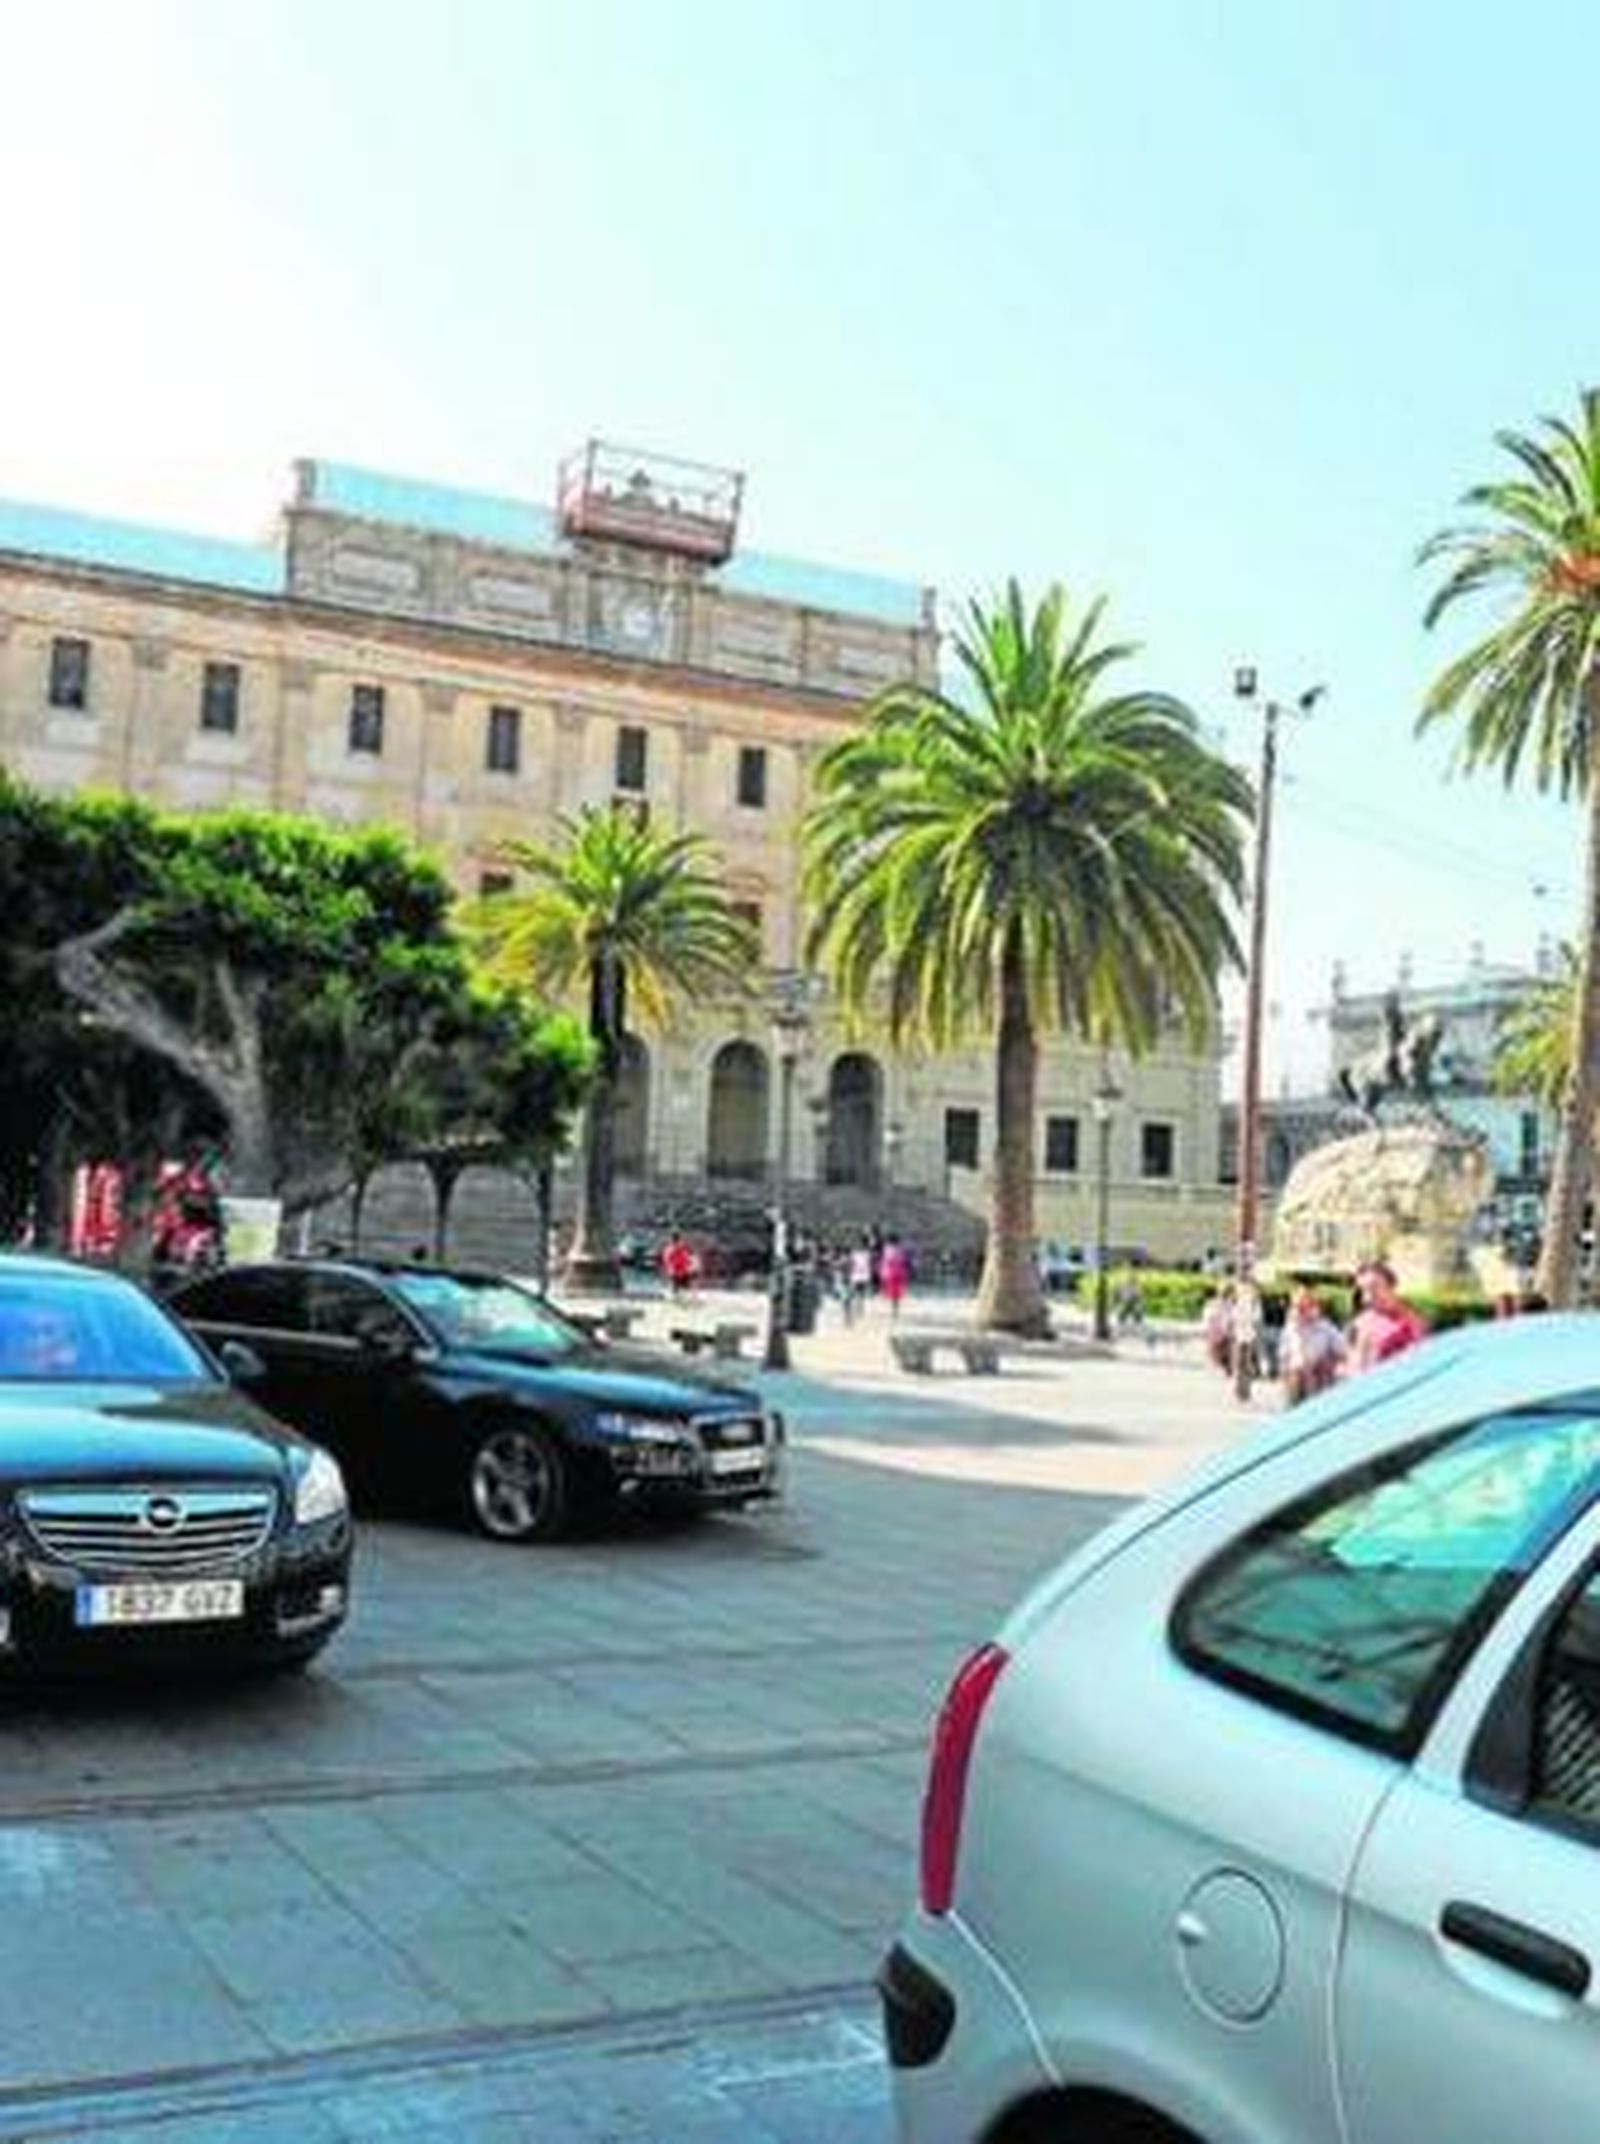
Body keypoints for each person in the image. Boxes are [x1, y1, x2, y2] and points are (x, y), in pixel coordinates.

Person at [1347, 1259, 1429, 1374]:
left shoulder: (1413, 1319)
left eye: (1374, 1287)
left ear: (1391, 1286)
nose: (1368, 1297)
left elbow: (1421, 1359)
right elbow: (1355, 1368)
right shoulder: (1361, 1323)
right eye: (1363, 1290)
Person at [1280, 1285, 1345, 1405]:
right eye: (1296, 1307)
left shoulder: (1326, 1328)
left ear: (1313, 1307)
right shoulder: (1289, 1329)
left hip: (1319, 1381)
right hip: (1296, 1382)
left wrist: (1329, 1364)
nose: (1299, 1312)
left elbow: (1343, 1352)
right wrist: (1286, 1382)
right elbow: (1284, 1359)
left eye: (1303, 1307)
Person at [1201, 1285, 1234, 1376]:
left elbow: (1230, 1316)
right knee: (1216, 1350)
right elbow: (1207, 1316)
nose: (1221, 1295)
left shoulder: (1229, 1304)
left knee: (1223, 1350)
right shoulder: (1212, 1304)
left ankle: (1226, 1366)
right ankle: (1223, 1366)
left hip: (1222, 1330)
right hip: (1216, 1330)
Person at [879, 1236, 911, 1320]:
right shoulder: (901, 1250)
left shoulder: (887, 1250)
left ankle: (894, 1311)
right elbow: (904, 1262)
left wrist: (882, 1274)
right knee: (896, 1295)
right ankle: (895, 1311)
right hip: (899, 1274)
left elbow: (886, 1262)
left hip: (890, 1274)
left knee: (893, 1294)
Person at [660, 1230, 697, 1299]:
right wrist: (675, 1271)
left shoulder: (685, 1248)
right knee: (676, 1284)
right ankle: (675, 1292)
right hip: (676, 1272)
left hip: (684, 1271)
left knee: (691, 1276)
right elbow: (668, 1263)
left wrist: (691, 1267)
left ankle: (691, 1295)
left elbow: (692, 1258)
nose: (679, 1243)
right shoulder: (669, 1250)